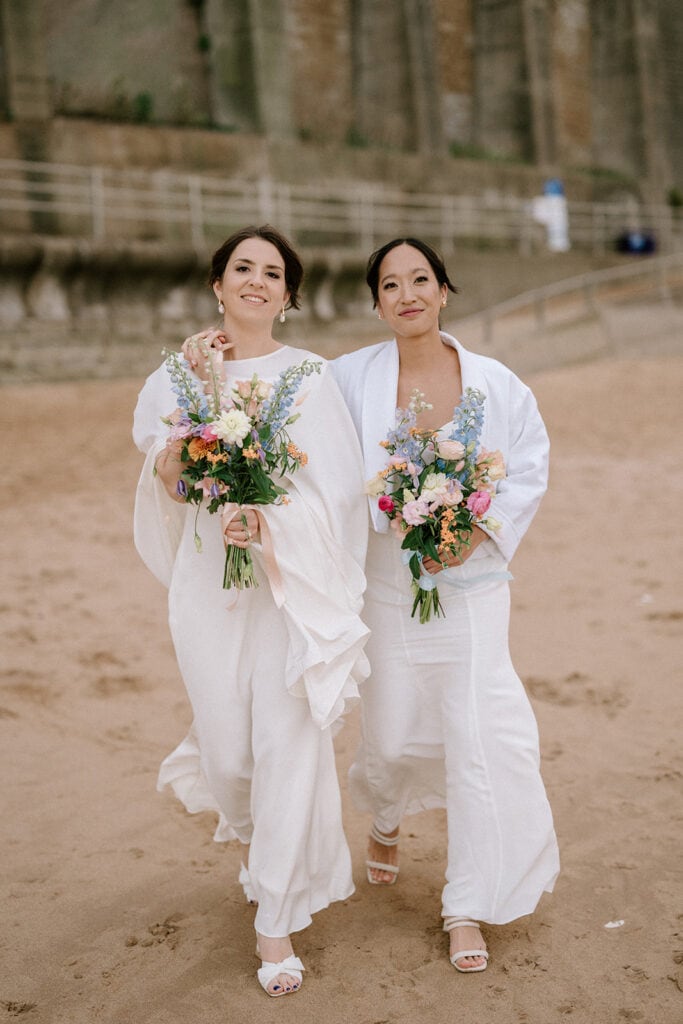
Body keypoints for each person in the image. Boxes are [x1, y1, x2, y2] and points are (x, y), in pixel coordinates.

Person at [132, 225, 369, 997]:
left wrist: (270, 520)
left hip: (287, 586)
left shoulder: (310, 376)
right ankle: (255, 846)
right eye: (244, 268)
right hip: (209, 579)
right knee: (230, 752)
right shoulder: (180, 371)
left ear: (289, 296)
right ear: (218, 284)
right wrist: (189, 448)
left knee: (286, 737)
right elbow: (164, 475)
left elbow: (334, 489)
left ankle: (276, 916)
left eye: (274, 273)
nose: (257, 281)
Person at [331, 237, 559, 974]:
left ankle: (468, 904)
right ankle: (388, 818)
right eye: (390, 284)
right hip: (386, 583)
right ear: (375, 303)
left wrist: (477, 531)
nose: (406, 294)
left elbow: (526, 463)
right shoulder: (348, 379)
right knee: (392, 735)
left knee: (478, 737)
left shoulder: (495, 383)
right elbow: (302, 436)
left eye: (419, 279)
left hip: (472, 583)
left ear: (443, 290)